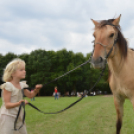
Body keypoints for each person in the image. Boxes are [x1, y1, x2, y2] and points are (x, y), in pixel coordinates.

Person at [0, 58, 42, 134]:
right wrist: (20, 103)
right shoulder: (8, 86)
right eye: (21, 70)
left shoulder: (22, 85)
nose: (24, 71)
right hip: (7, 116)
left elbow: (30, 95)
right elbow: (7, 105)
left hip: (19, 115)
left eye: (24, 69)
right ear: (12, 73)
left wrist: (36, 90)